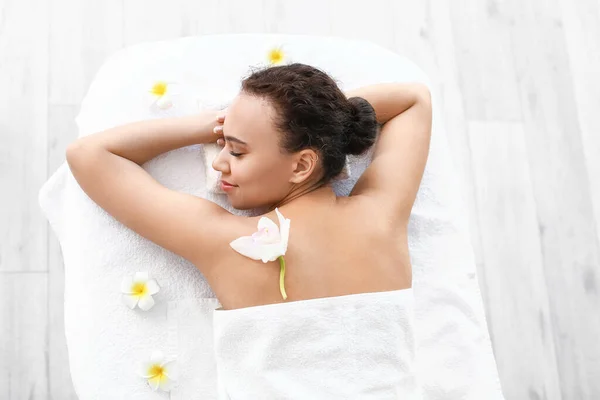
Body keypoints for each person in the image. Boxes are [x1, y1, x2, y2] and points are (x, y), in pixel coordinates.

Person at [66, 62, 432, 398]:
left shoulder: (231, 245)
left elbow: (89, 155)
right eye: (220, 141)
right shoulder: (381, 214)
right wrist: (329, 121)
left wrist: (206, 124)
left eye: (237, 151)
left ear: (302, 164)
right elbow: (414, 100)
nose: (219, 162)